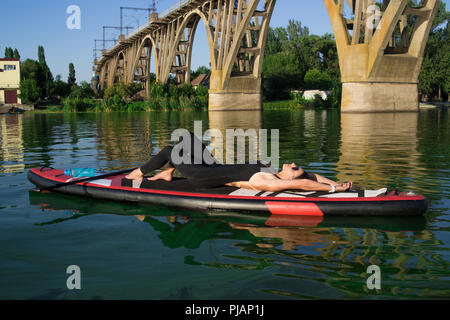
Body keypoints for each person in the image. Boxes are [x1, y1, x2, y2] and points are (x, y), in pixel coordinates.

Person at [126, 131, 353, 193]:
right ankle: (169, 171)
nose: (291, 164)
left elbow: (303, 183)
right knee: (187, 137)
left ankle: (138, 172)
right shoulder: (271, 168)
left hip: (203, 177)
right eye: (296, 165)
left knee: (168, 150)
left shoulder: (269, 180)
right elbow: (310, 176)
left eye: (294, 168)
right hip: (214, 167)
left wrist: (333, 189)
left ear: (291, 177)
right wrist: (336, 182)